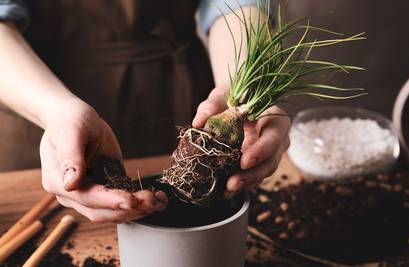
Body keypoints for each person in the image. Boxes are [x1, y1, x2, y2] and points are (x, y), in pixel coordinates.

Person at [0, 0, 290, 223]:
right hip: (34, 94)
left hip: (180, 92)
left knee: (194, 214)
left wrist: (242, 88)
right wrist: (55, 110)